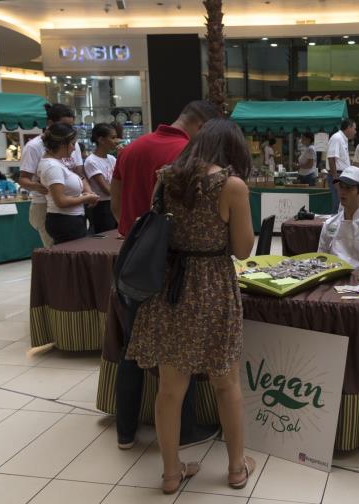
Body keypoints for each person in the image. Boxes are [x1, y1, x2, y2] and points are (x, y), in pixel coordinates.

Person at [125, 118, 256, 494]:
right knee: (226, 383)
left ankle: (170, 473)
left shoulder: (166, 178)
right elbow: (244, 250)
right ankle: (235, 468)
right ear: (232, 150)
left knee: (170, 389)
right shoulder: (231, 186)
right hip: (213, 284)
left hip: (170, 286)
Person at [110, 100, 221, 451]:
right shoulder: (188, 156)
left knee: (132, 349)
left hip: (133, 265)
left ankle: (125, 430)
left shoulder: (130, 149)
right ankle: (185, 430)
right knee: (178, 353)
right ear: (202, 126)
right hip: (172, 270)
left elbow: (115, 206)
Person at [19, 103, 84, 247]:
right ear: (50, 124)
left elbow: (79, 172)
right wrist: (40, 185)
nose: (68, 130)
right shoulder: (34, 146)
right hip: (46, 205)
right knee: (55, 249)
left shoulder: (72, 143)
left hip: (73, 207)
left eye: (71, 126)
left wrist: (87, 191)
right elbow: (23, 179)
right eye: (64, 125)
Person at [37, 123, 99, 245]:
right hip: (64, 221)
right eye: (72, 144)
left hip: (70, 219)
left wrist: (87, 194)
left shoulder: (58, 163)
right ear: (61, 144)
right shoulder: (52, 166)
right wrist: (86, 198)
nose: (74, 148)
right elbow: (61, 201)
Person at [318, 165, 359, 267]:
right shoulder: (330, 224)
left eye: (348, 188)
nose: (342, 192)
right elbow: (321, 258)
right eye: (341, 187)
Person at [83, 123, 120, 234]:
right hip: (102, 206)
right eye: (112, 137)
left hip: (114, 201)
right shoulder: (91, 161)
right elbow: (106, 189)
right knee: (106, 235)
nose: (116, 141)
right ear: (101, 140)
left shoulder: (112, 158)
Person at [326, 118, 356, 212]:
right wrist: (335, 180)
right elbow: (331, 158)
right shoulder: (337, 137)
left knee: (342, 204)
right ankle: (335, 226)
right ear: (348, 128)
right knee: (338, 203)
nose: (355, 132)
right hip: (338, 176)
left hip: (342, 175)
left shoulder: (343, 139)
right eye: (354, 129)